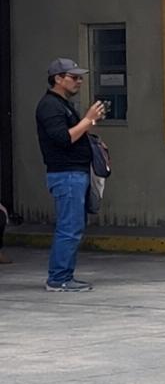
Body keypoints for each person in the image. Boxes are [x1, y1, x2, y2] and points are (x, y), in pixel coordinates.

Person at [36, 57, 104, 292]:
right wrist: (87, 120)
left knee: (74, 226)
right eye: (73, 77)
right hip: (66, 175)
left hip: (75, 174)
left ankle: (63, 275)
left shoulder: (62, 104)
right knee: (69, 227)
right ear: (58, 79)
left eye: (80, 77)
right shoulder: (50, 106)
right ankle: (59, 277)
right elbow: (64, 139)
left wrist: (89, 122)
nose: (79, 82)